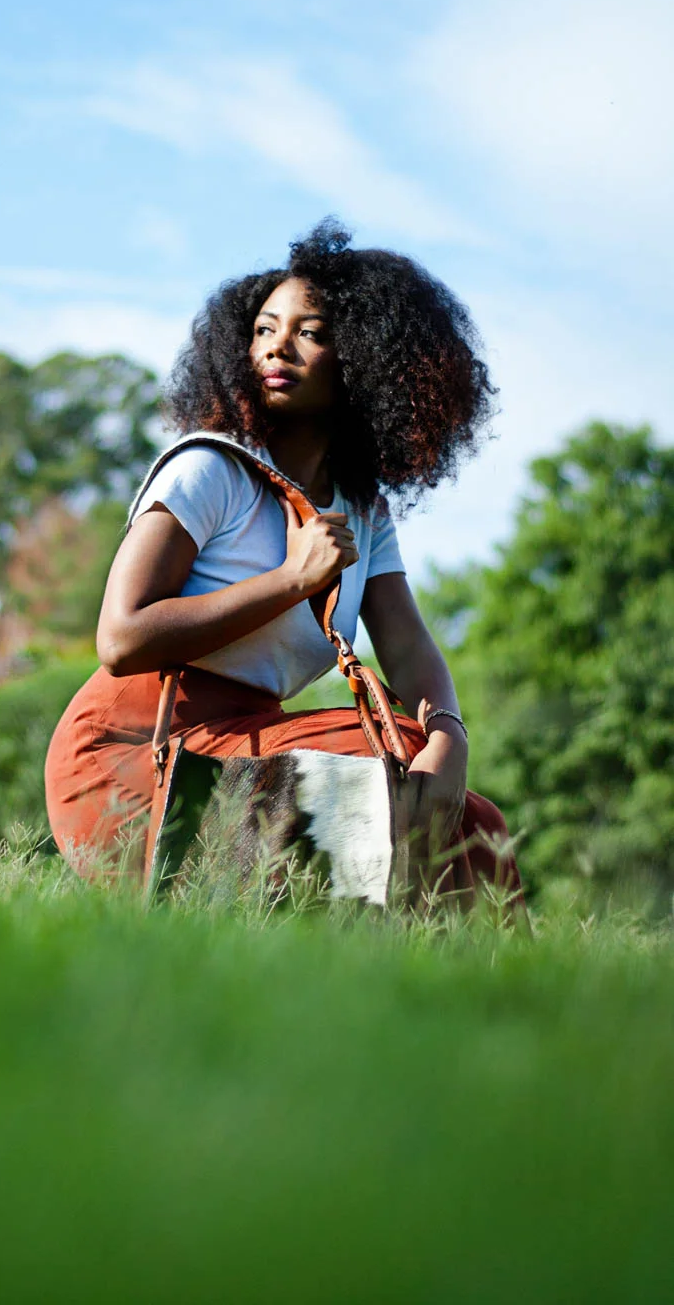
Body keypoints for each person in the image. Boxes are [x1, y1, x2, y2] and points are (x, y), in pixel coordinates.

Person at [45, 219, 522, 903]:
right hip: (135, 752)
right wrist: (290, 581)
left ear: (368, 357)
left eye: (311, 332)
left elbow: (407, 643)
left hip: (247, 739)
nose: (277, 347)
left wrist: (449, 736)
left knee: (470, 820)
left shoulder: (363, 511)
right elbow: (121, 640)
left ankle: (463, 1000)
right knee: (377, 777)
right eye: (265, 328)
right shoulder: (208, 471)